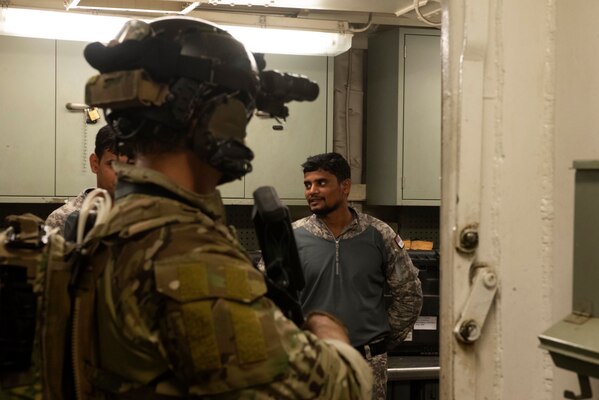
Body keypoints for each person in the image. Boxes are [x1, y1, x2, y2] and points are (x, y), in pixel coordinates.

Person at [37, 17, 372, 399]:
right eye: (240, 113)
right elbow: (332, 389)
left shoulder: (103, 225)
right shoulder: (183, 251)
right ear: (216, 117)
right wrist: (329, 330)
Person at [292, 152, 423, 400]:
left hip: (367, 365)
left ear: (345, 186)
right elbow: (268, 299)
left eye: (321, 183)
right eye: (308, 184)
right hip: (311, 362)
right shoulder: (291, 237)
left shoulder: (379, 233)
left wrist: (379, 343)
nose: (312, 191)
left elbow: (409, 296)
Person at [44, 124, 128, 237]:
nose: (122, 174)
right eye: (113, 164)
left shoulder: (142, 214)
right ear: (95, 164)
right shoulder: (62, 220)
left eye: (129, 166)